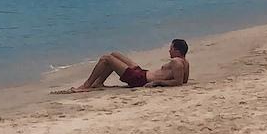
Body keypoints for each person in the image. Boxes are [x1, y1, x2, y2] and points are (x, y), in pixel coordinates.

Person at [60, 39, 190, 93]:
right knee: (114, 54)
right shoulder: (185, 62)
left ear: (177, 51)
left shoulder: (176, 62)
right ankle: (98, 83)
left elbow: (178, 82)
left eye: (171, 49)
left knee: (106, 59)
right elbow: (184, 80)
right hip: (142, 73)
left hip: (140, 79)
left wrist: (156, 83)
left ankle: (86, 86)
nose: (169, 51)